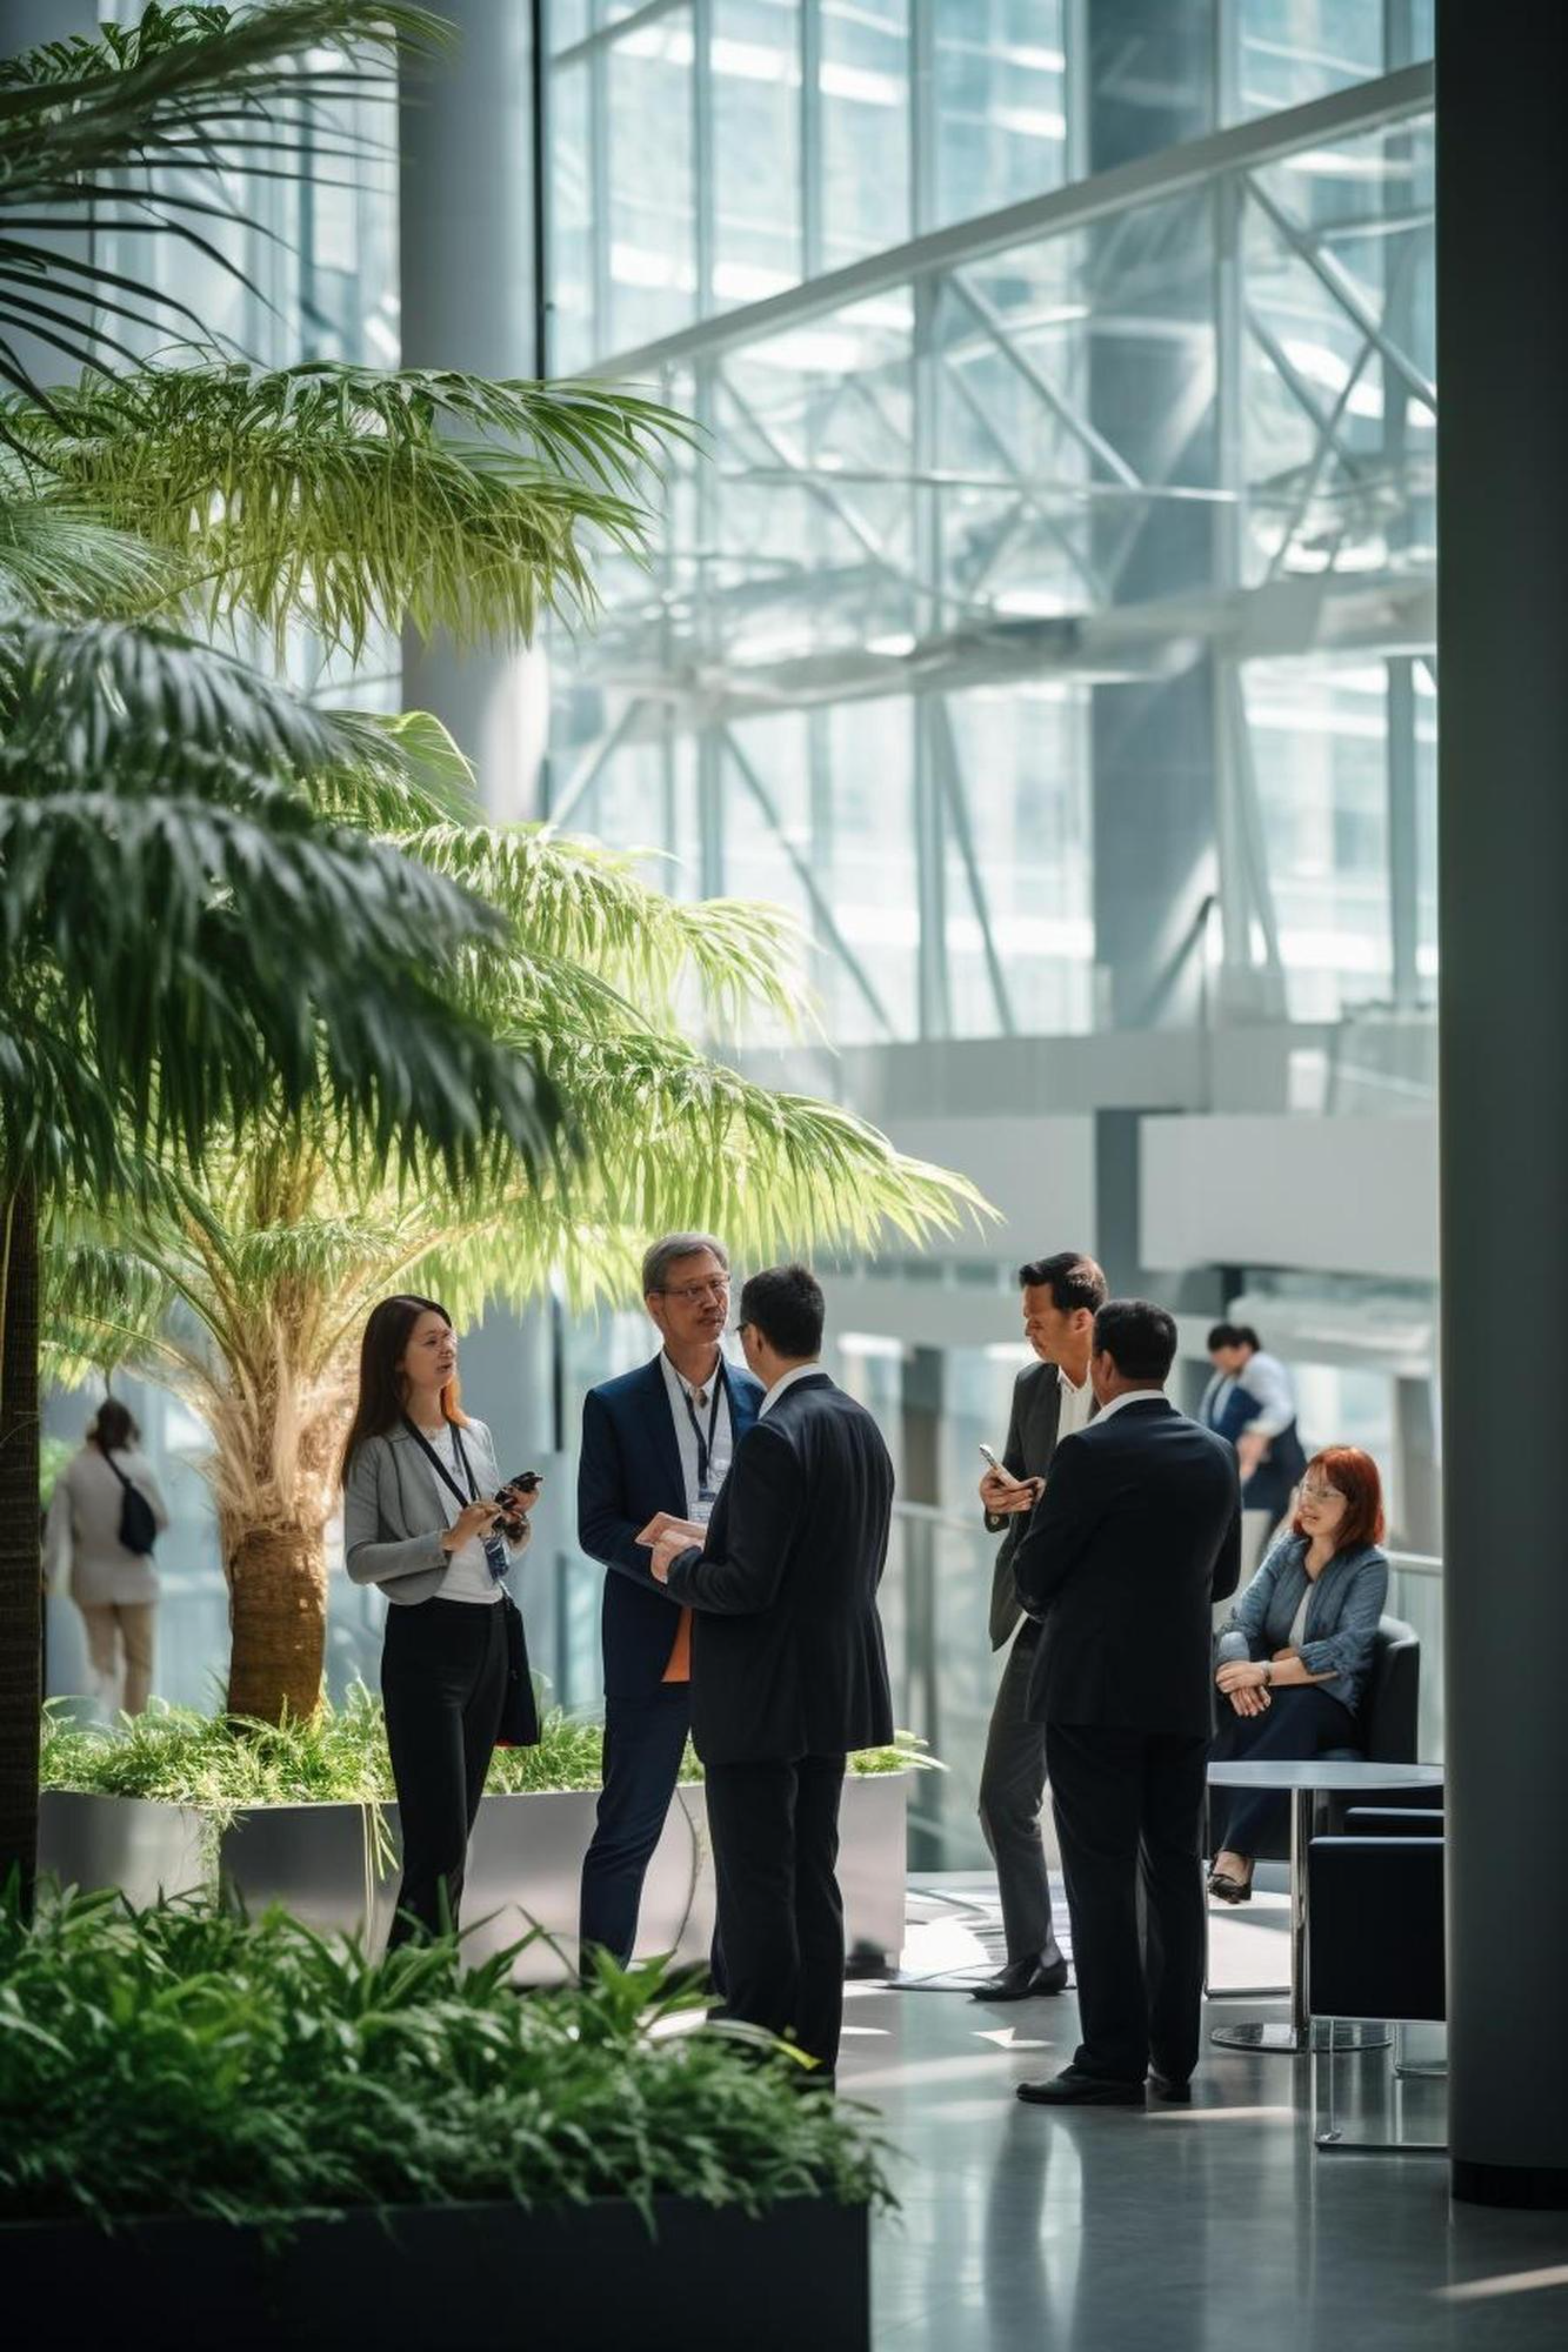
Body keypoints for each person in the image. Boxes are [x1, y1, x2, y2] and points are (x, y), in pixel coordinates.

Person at [646, 1264, 894, 2088]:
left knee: (757, 1886)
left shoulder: (772, 1436)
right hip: (832, 1687)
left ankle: (754, 2058)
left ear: (752, 1338)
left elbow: (745, 1586)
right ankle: (810, 2058)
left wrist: (678, 1565)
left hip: (760, 1697)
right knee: (810, 1877)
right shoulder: (858, 1423)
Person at [1009, 1299, 1241, 2106]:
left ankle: (1110, 2059)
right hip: (1179, 1692)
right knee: (1174, 1868)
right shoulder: (1215, 1453)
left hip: (1091, 1694)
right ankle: (1173, 2057)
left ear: (1102, 1364)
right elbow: (1222, 1578)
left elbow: (1034, 1576)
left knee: (1100, 1875)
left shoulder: (1086, 1450)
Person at [576, 1232, 763, 1968]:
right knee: (627, 1831)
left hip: (740, 1642)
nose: (713, 1301)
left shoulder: (761, 1398)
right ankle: (602, 2003)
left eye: (719, 1284)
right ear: (655, 1306)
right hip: (654, 1641)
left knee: (744, 1835)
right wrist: (666, 1557)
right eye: (692, 1290)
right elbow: (596, 1527)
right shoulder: (614, 1404)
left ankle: (734, 1991)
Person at [342, 1294, 542, 1945]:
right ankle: (411, 1992)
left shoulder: (474, 1433)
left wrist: (511, 1519)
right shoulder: (376, 1449)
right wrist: (445, 1540)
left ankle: (432, 1988)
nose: (447, 1348)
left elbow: (495, 1542)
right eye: (430, 1340)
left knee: (457, 1841)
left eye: (449, 1336)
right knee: (437, 1844)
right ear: (396, 1359)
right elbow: (359, 1560)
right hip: (426, 1642)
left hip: (490, 1635)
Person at [973, 1251, 1108, 2003]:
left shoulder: (1128, 1385)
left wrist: (1065, 1498)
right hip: (1037, 1616)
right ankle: (1035, 1954)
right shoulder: (1032, 1386)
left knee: (1099, 1807)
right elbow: (1014, 1482)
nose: (1027, 1330)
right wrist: (998, 1499)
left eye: (1036, 1318)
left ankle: (1120, 1965)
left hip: (1106, 1628)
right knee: (1002, 1794)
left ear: (1080, 1319)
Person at [1208, 1446, 1390, 1901]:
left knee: (1298, 1706)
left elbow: (1344, 1652)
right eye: (1307, 1488)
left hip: (1330, 1707)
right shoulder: (1286, 1551)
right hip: (1271, 1692)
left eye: (1325, 1494)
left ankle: (1234, 1852)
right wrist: (1236, 1673)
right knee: (1238, 1705)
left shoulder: (1369, 1566)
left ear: (1355, 1504)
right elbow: (1238, 1625)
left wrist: (1264, 1671)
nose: (1308, 1501)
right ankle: (1217, 1855)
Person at [44, 1399, 169, 1716]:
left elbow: (56, 1531)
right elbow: (162, 1519)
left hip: (91, 1582)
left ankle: (107, 1723)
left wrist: (50, 1575)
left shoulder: (73, 1469)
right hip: (137, 1579)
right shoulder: (140, 1467)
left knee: (103, 1661)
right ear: (128, 1429)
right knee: (140, 1660)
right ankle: (132, 1728)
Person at [1200, 1324, 1308, 1577]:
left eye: (1224, 1357)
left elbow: (1281, 1410)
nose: (1221, 1364)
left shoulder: (1259, 1368)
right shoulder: (1234, 1374)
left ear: (1241, 1349)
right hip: (1249, 1470)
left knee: (1272, 1543)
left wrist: (1254, 1435)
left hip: (1274, 1473)